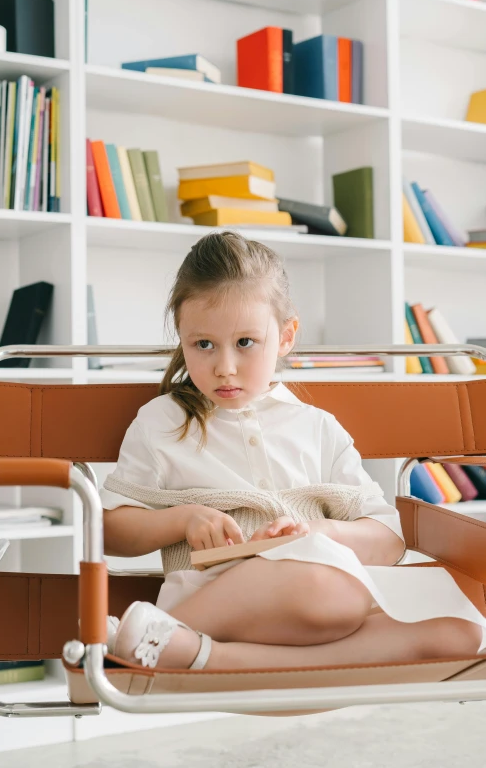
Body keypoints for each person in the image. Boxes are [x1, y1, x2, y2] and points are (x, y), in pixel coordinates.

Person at [101, 231, 483, 672]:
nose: (224, 367)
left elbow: (389, 539)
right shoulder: (162, 421)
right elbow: (111, 530)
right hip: (220, 599)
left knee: (462, 633)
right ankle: (175, 631)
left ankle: (193, 652)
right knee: (331, 593)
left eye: (245, 343)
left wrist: (318, 534)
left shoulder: (316, 427)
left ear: (285, 337)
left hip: (324, 593)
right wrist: (184, 518)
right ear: (182, 338)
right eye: (203, 344)